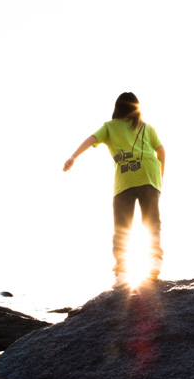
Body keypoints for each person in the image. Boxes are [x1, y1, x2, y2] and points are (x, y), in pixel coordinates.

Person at [63, 92, 166, 287]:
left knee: (122, 227)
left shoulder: (110, 127)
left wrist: (73, 157)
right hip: (149, 176)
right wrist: (159, 177)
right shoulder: (147, 127)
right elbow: (161, 151)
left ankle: (122, 274)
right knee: (152, 221)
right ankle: (154, 262)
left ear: (117, 108)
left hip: (125, 182)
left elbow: (91, 139)